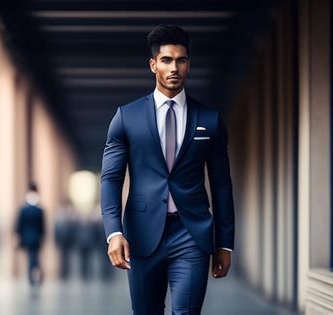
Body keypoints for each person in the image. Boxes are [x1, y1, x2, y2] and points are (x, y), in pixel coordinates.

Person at [101, 25, 235, 314]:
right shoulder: (126, 117)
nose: (174, 67)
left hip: (192, 234)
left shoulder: (209, 120)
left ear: (188, 64)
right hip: (141, 234)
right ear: (153, 65)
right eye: (166, 60)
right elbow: (111, 179)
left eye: (181, 60)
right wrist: (114, 232)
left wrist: (225, 242)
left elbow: (222, 184)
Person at [15, 182, 45, 286]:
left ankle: (31, 276)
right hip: (36, 237)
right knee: (35, 257)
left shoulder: (23, 209)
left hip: (26, 237)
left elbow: (19, 224)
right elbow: (42, 226)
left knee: (31, 257)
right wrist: (42, 236)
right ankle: (37, 274)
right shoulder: (39, 209)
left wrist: (18, 236)